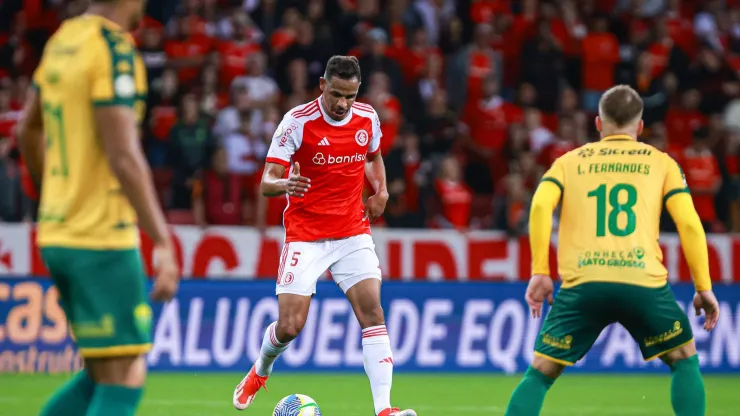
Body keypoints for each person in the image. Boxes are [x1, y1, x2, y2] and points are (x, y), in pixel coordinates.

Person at [505, 85, 720, 416]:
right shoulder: (662, 163)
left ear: (598, 124)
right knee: (684, 359)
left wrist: (540, 271)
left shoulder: (568, 162)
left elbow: (540, 206)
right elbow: (690, 224)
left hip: (584, 283)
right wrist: (703, 287)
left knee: (541, 372)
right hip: (642, 282)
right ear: (640, 127)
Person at [16, 1, 180, 415]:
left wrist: (55, 193)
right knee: (127, 373)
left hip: (57, 230)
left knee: (102, 372)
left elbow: (26, 130)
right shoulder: (114, 49)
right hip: (100, 236)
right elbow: (123, 155)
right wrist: (162, 240)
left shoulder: (64, 38)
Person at [232, 55, 416, 416]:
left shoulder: (367, 118)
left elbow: (374, 157)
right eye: (336, 94)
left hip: (352, 232)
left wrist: (381, 191)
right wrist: (286, 183)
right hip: (305, 234)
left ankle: (384, 410)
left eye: (349, 95)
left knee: (373, 313)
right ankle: (259, 370)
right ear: (322, 86)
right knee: (290, 326)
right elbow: (267, 181)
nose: (342, 103)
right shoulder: (296, 123)